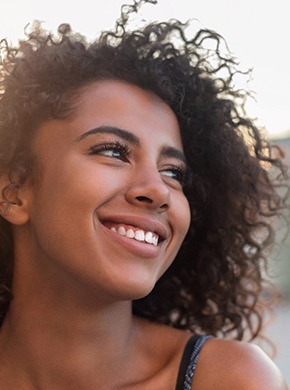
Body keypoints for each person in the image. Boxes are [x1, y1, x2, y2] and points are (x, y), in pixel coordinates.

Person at [0, 0, 288, 388]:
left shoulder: (229, 380)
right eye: (113, 151)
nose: (157, 190)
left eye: (174, 173)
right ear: (14, 191)